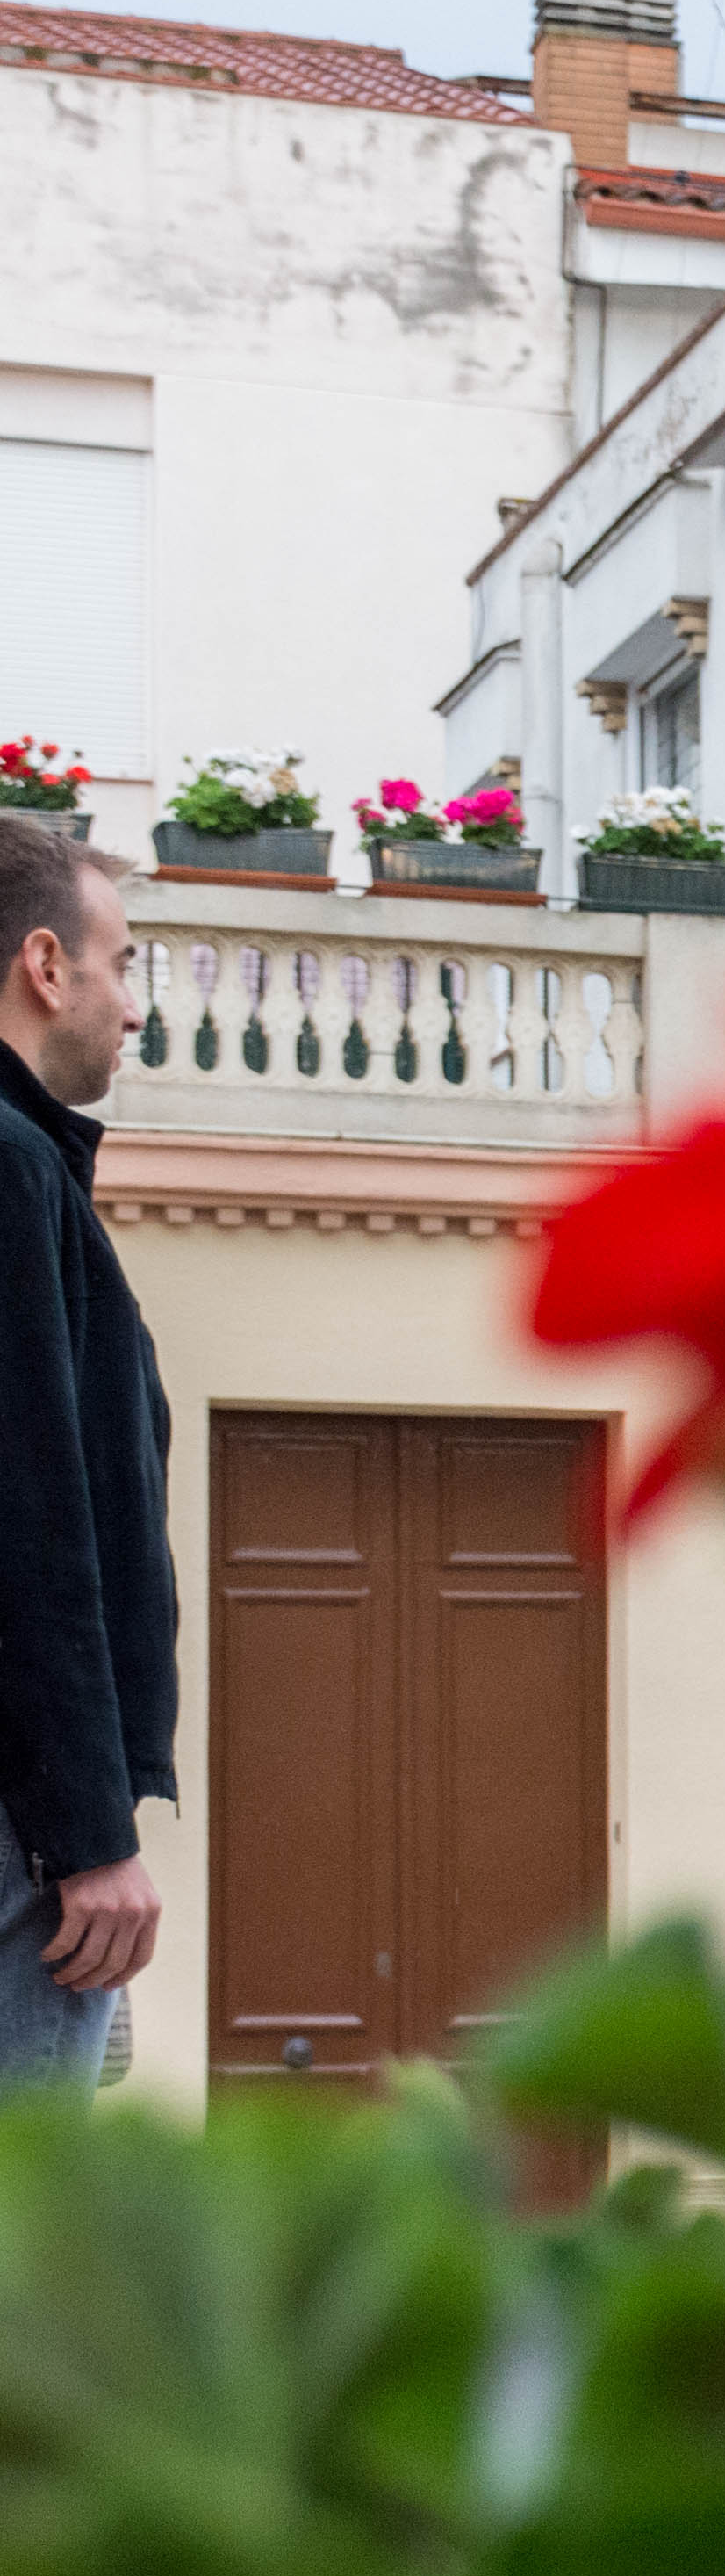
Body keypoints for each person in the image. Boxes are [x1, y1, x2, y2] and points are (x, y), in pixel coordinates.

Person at [0, 822, 168, 2090]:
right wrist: (86, 1834)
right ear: (45, 964)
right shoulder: (11, 1168)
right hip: (23, 1838)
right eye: (122, 963)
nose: (135, 1006)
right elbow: (34, 1510)